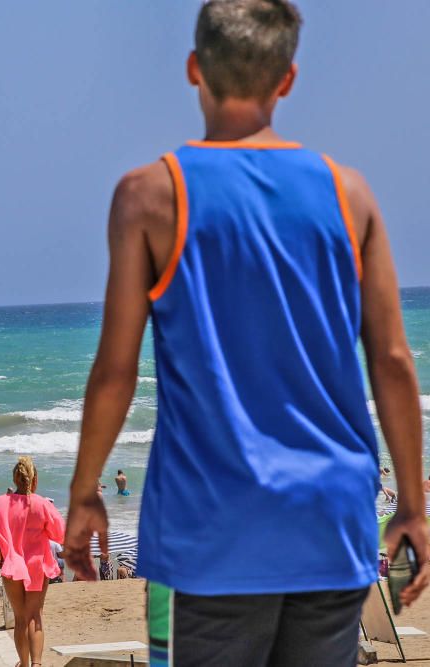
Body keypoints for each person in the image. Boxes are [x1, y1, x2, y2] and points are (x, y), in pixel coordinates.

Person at [64, 2, 429, 665]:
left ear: (194, 69)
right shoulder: (350, 195)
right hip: (328, 518)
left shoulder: (149, 196)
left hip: (214, 525)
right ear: (287, 79)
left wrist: (85, 490)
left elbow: (115, 371)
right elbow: (394, 362)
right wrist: (412, 500)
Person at [0, 457, 65, 667]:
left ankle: (24, 664)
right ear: (33, 480)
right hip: (37, 565)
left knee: (20, 619)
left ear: (15, 479)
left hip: (12, 566)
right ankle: (37, 664)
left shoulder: (1, 503)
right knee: (35, 616)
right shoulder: (42, 504)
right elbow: (59, 534)